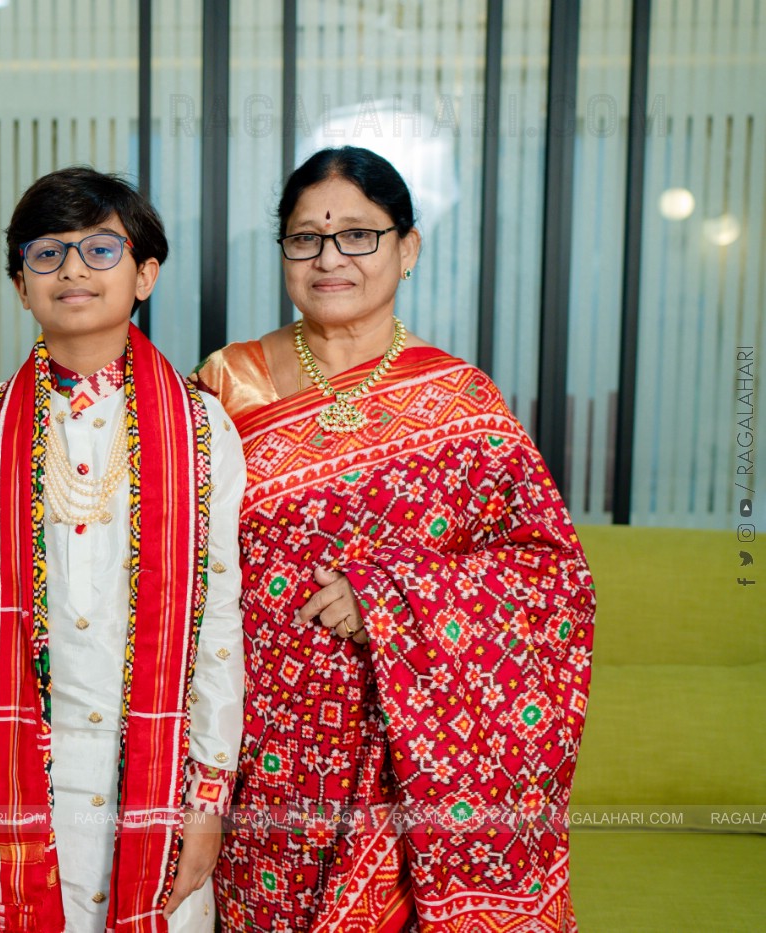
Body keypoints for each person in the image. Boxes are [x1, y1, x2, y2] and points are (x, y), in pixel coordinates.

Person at [191, 146, 596, 932]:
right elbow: (149, 530)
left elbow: (551, 574)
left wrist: (384, 592)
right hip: (260, 745)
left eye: (357, 236)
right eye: (304, 237)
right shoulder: (225, 384)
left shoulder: (458, 398)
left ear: (405, 249)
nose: (328, 258)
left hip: (413, 751)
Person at [0, 167, 245, 933]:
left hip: (151, 779)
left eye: (99, 248)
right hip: (8, 777)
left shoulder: (203, 430)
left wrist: (208, 800)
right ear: (21, 285)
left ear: (145, 273)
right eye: (45, 253)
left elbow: (217, 616)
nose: (73, 269)